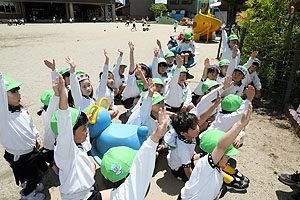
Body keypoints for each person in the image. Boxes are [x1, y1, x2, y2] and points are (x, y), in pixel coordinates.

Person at [178, 105, 253, 200]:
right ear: (218, 155)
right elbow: (221, 146)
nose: (229, 157)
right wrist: (240, 124)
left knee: (222, 187)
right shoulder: (205, 165)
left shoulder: (215, 166)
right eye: (227, 155)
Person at [0, 73, 48, 200]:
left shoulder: (21, 110)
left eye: (18, 91)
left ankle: (30, 183)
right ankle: (27, 194)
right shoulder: (4, 117)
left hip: (30, 150)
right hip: (19, 155)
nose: (18, 95)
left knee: (38, 170)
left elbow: (30, 125)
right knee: (33, 175)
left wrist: (37, 137)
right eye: (13, 92)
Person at [166, 112, 201, 182]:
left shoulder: (188, 137)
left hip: (183, 159)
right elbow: (187, 171)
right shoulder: (184, 150)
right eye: (194, 128)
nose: (197, 128)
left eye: (197, 125)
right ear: (183, 133)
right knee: (203, 164)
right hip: (180, 169)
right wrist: (194, 183)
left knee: (204, 157)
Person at [121, 42, 150, 109]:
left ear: (146, 74)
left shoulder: (144, 81)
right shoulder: (132, 77)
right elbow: (132, 64)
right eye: (137, 69)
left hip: (135, 99)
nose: (138, 71)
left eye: (142, 70)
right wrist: (131, 51)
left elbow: (146, 87)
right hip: (126, 100)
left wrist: (141, 74)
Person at [97, 49, 119, 119]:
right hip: (99, 110)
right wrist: (107, 60)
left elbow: (111, 103)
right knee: (111, 112)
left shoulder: (111, 90)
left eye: (113, 78)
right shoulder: (102, 87)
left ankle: (106, 121)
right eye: (109, 78)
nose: (112, 80)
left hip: (106, 109)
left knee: (116, 110)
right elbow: (104, 75)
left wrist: (114, 108)